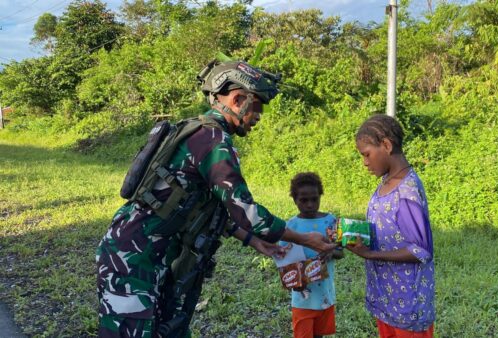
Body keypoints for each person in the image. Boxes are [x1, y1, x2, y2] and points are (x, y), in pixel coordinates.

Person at [95, 60, 336, 338]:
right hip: (134, 258)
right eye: (258, 107)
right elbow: (246, 211)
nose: (259, 117)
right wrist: (305, 239)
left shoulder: (200, 131)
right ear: (237, 99)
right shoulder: (213, 140)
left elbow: (207, 209)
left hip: (147, 252)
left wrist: (254, 242)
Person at [346, 114, 435, 338]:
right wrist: (346, 233)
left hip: (407, 307)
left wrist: (371, 255)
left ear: (386, 145)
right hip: (386, 299)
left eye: (367, 154)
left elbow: (420, 250)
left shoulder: (407, 191)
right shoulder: (386, 182)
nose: (365, 162)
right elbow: (385, 227)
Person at [280, 172, 343, 338]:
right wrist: (293, 282)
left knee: (319, 335)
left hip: (325, 294)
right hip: (302, 297)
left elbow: (340, 252)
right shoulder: (289, 227)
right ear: (294, 199)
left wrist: (331, 252)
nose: (310, 204)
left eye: (314, 199)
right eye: (304, 200)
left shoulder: (330, 222)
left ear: (320, 196)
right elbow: (283, 260)